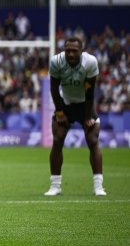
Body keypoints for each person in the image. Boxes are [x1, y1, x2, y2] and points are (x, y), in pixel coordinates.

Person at [45, 36, 106, 196]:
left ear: (81, 51)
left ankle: (98, 186)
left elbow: (90, 92)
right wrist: (59, 112)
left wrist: (87, 117)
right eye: (68, 51)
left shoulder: (90, 63)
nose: (70, 54)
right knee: (57, 140)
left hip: (85, 104)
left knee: (92, 140)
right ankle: (55, 186)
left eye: (74, 51)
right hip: (65, 104)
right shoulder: (56, 62)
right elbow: (53, 89)